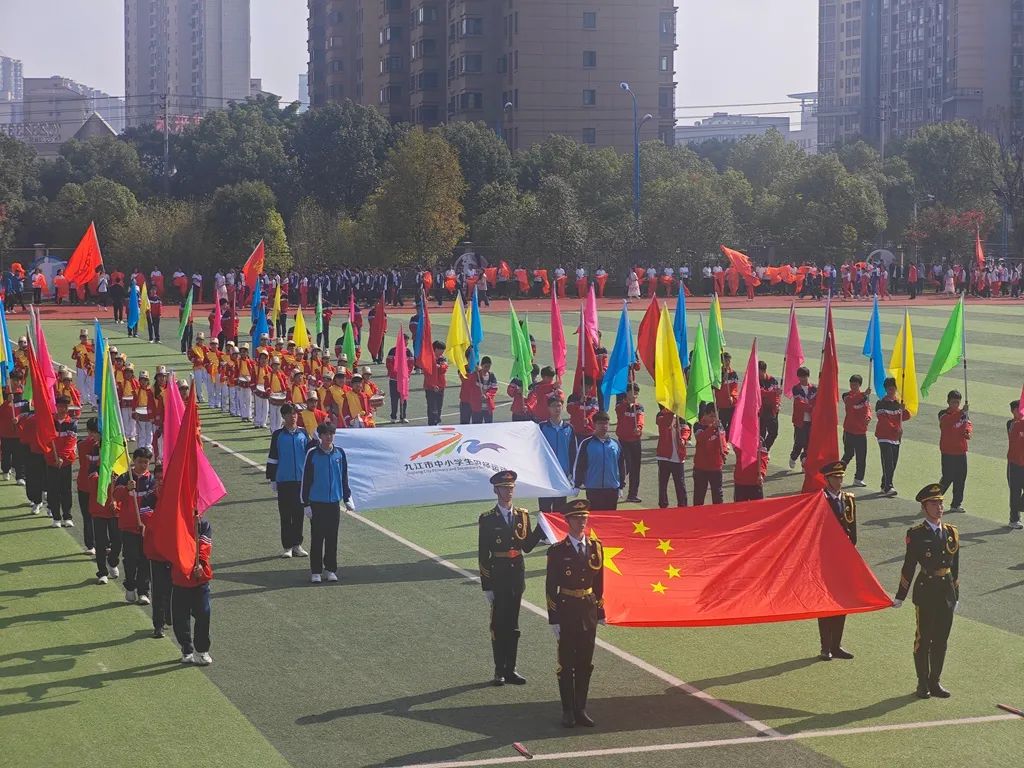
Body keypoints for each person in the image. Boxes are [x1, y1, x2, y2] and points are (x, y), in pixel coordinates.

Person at [478, 470, 547, 686]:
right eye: (504, 488)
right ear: (496, 490)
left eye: (511, 488)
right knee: (499, 625)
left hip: (516, 574)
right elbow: (483, 554)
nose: (508, 492)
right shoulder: (488, 519)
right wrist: (486, 585)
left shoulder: (522, 516)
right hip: (498, 574)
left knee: (514, 625)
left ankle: (511, 669)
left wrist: (541, 527)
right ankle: (499, 670)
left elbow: (526, 546)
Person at [892, 484, 959, 698]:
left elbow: (955, 566)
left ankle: (935, 681)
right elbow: (909, 565)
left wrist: (956, 594)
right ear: (924, 507)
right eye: (934, 503)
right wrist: (900, 595)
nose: (939, 507)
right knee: (924, 638)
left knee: (941, 639)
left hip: (946, 590)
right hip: (926, 589)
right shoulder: (916, 534)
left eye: (940, 502)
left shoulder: (951, 532)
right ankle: (922, 682)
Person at [546, 499, 604, 728]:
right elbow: (550, 586)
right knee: (566, 664)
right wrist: (554, 618)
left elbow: (600, 582)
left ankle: (581, 708)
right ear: (567, 520)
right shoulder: (558, 551)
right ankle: (567, 710)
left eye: (585, 518)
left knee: (585, 663)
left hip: (588, 610)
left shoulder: (596, 547)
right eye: (577, 518)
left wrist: (600, 610)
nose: (582, 522)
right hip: (567, 609)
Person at [300, 423, 353, 583]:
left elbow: (343, 477)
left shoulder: (340, 454)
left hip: (333, 504)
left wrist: (347, 497)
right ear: (320, 436)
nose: (329, 437)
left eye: (331, 434)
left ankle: (330, 569)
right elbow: (306, 480)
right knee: (317, 538)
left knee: (332, 538)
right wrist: (306, 504)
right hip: (316, 503)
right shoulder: (312, 454)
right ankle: (316, 571)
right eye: (326, 434)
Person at [817, 461, 857, 660]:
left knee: (842, 602)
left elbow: (853, 531)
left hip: (844, 559)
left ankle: (836, 644)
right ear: (827, 479)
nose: (840, 481)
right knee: (826, 603)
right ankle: (825, 646)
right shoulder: (819, 499)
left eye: (841, 477)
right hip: (826, 558)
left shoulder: (849, 499)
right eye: (836, 477)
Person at [113, 447, 157, 605]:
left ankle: (143, 591)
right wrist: (126, 489)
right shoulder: (125, 478)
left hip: (146, 528)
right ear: (134, 460)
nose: (143, 465)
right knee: (130, 559)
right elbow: (115, 497)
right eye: (140, 462)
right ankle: (130, 586)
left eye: (146, 462)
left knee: (145, 559)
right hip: (128, 526)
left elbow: (155, 503)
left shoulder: (152, 480)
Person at [266, 403, 310, 559]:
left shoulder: (304, 434)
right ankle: (287, 546)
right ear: (283, 417)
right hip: (284, 481)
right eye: (290, 414)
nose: (294, 417)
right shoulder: (278, 435)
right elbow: (272, 457)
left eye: (295, 414)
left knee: (299, 514)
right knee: (285, 514)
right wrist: (272, 478)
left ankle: (297, 544)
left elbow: (310, 456)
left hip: (300, 481)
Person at [171, 510, 214, 665]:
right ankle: (187, 649)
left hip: (200, 579)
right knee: (180, 618)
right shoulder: (175, 525)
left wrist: (201, 565)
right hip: (180, 578)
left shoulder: (203, 525)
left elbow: (205, 546)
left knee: (203, 613)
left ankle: (202, 651)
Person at [573, 412, 624, 511]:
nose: (604, 426)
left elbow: (621, 465)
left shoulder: (616, 444)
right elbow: (580, 465)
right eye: (600, 423)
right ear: (594, 424)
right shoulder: (586, 443)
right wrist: (577, 484)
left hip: (612, 488)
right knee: (595, 520)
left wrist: (621, 486)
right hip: (593, 488)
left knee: (610, 520)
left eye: (606, 423)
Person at [44, 395, 78, 527]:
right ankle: (56, 517)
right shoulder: (49, 421)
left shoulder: (72, 423)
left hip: (65, 462)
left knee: (66, 490)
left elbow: (71, 443)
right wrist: (53, 457)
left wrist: (62, 457)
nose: (63, 409)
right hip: (51, 461)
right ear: (56, 406)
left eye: (65, 407)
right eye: (60, 406)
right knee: (53, 489)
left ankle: (67, 516)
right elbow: (45, 440)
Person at [538, 397, 575, 513]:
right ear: (549, 408)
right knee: (545, 510)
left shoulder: (569, 428)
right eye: (554, 406)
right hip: (546, 476)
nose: (557, 408)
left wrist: (572, 474)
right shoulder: (541, 427)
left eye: (559, 405)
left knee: (560, 511)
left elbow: (573, 452)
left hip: (562, 475)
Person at [875, 377, 911, 497]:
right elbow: (883, 420)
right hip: (884, 436)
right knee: (888, 462)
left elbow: (905, 417)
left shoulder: (897, 403)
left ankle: (883, 484)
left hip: (896, 438)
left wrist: (904, 410)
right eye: (889, 389)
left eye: (893, 389)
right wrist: (896, 428)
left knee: (893, 463)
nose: (891, 391)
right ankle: (888, 486)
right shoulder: (880, 403)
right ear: (886, 389)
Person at [937, 390, 972, 513]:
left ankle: (956, 504)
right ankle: (934, 499)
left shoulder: (963, 414)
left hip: (961, 451)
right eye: (953, 402)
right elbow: (947, 422)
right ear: (948, 402)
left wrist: (968, 431)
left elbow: (968, 423)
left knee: (960, 478)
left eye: (957, 402)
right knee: (947, 477)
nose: (956, 405)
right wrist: (962, 412)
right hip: (948, 451)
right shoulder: (943, 414)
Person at [655, 406, 691, 508]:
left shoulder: (681, 417)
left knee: (680, 484)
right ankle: (663, 505)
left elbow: (686, 429)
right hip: (664, 456)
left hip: (678, 457)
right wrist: (671, 413)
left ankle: (683, 506)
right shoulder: (661, 415)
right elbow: (665, 423)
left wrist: (684, 439)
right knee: (663, 484)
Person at [840, 375, 872, 487]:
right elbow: (851, 403)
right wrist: (864, 394)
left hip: (861, 431)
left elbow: (868, 408)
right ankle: (837, 473)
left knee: (861, 456)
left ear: (859, 385)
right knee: (848, 454)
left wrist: (868, 417)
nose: (853, 386)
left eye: (855, 384)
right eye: (851, 384)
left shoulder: (865, 397)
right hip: (849, 430)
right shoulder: (846, 396)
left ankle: (858, 478)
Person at [693, 404, 728, 505]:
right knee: (699, 497)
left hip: (716, 467)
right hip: (701, 467)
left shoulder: (719, 426)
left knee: (718, 496)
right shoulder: (698, 425)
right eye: (711, 416)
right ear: (705, 415)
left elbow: (723, 441)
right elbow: (701, 438)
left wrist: (724, 451)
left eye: (715, 416)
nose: (714, 419)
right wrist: (712, 427)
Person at [614, 384, 644, 503]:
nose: (635, 395)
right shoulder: (621, 406)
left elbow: (641, 419)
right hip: (623, 441)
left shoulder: (639, 407)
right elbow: (619, 411)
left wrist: (639, 428)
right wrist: (628, 404)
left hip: (635, 441)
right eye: (633, 393)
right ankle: (618, 486)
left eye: (636, 393)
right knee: (625, 466)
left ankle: (633, 494)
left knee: (636, 469)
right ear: (627, 393)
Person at [75, 418, 100, 554]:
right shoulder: (84, 445)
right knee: (87, 515)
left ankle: (101, 542)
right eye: (93, 432)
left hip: (98, 486)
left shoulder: (104, 446)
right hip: (86, 485)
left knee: (101, 516)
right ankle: (90, 544)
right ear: (89, 432)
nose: (95, 435)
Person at [790, 367, 816, 469]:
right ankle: (793, 457)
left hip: (811, 420)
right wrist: (811, 408)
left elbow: (817, 401)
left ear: (808, 376)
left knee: (808, 444)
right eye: (801, 377)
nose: (803, 379)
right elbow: (799, 403)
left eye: (804, 376)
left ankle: (804, 462)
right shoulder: (796, 389)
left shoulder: (814, 389)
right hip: (800, 420)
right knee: (799, 442)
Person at [758, 361, 781, 453]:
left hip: (772, 410)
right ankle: (760, 450)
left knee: (773, 433)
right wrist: (773, 393)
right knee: (761, 434)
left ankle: (765, 449)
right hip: (761, 411)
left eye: (758, 371)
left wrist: (777, 403)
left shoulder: (772, 380)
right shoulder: (755, 381)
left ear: (763, 371)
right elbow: (760, 393)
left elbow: (777, 396)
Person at [714, 352, 739, 436]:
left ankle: (726, 440)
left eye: (729, 360)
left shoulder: (733, 374)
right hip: (721, 405)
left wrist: (732, 396)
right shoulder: (717, 373)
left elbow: (735, 388)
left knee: (732, 424)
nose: (728, 362)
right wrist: (722, 378)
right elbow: (715, 387)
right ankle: (722, 440)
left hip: (731, 404)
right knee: (722, 424)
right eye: (726, 360)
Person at [1008, 400, 1024, 530]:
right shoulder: (1011, 424)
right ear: (1013, 411)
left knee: (1018, 497)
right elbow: (1014, 432)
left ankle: (1019, 505)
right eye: (1019, 409)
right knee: (1015, 492)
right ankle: (1014, 519)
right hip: (1014, 464)